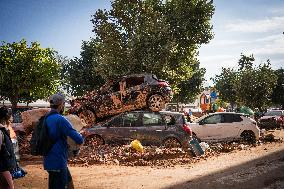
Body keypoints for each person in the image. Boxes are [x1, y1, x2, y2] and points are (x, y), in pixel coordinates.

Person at [44, 94, 84, 189]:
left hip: (48, 160)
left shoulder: (46, 118)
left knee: (69, 184)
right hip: (58, 161)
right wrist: (82, 135)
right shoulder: (60, 119)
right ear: (61, 105)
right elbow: (78, 138)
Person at [0, 106, 17, 189]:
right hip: (3, 169)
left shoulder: (4, 129)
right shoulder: (0, 131)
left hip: (5, 168)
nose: (12, 117)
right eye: (11, 115)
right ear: (7, 117)